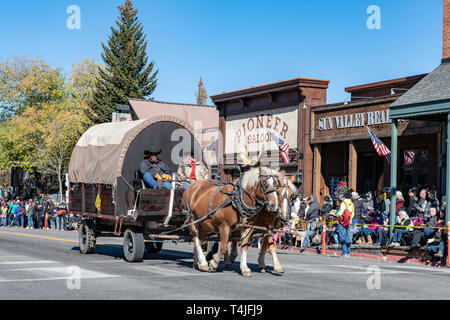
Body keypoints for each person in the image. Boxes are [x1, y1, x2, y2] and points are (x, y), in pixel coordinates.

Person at [335, 192, 354, 258]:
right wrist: (350, 220)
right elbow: (352, 213)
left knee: (342, 237)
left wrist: (336, 215)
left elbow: (340, 212)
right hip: (348, 222)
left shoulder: (343, 203)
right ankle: (348, 252)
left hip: (342, 221)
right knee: (347, 237)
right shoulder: (352, 203)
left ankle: (344, 253)